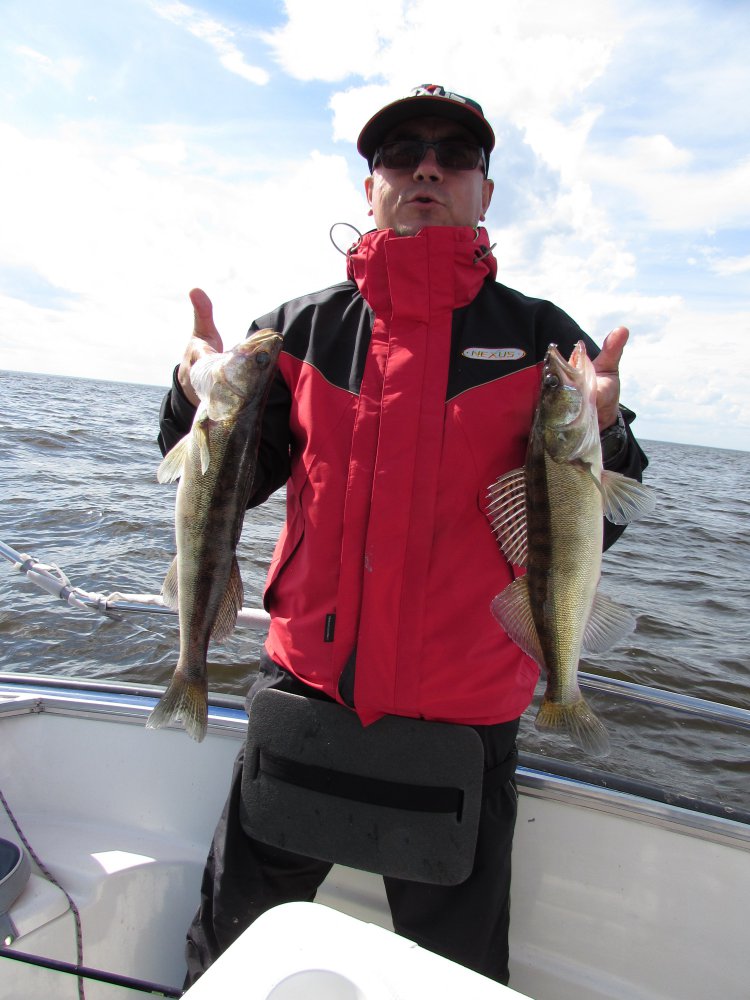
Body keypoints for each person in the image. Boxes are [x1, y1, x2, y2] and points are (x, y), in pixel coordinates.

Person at [158, 84, 648, 988]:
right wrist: (193, 395)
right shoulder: (296, 331)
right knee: (229, 952)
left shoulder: (545, 342)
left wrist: (606, 431)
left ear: (484, 192)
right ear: (370, 185)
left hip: (465, 725)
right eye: (401, 153)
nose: (427, 168)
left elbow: (602, 523)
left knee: (455, 979)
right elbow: (226, 483)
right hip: (303, 697)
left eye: (454, 155)